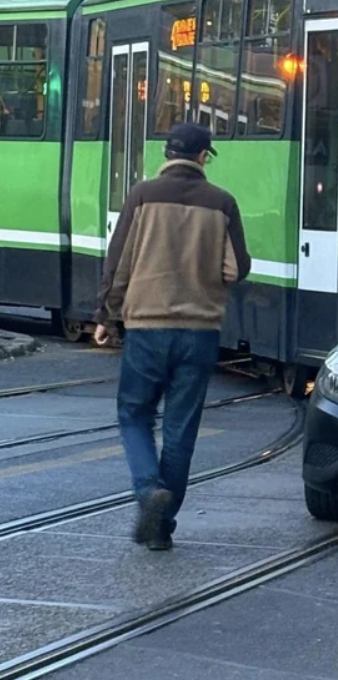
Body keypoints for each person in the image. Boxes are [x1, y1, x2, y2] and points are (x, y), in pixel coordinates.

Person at [94, 123, 251, 550]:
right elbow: (236, 268)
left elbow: (119, 261)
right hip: (198, 334)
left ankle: (149, 492)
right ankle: (162, 526)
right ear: (204, 157)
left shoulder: (141, 195)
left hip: (147, 328)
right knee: (181, 429)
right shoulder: (222, 202)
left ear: (167, 154)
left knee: (134, 415)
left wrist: (107, 315)